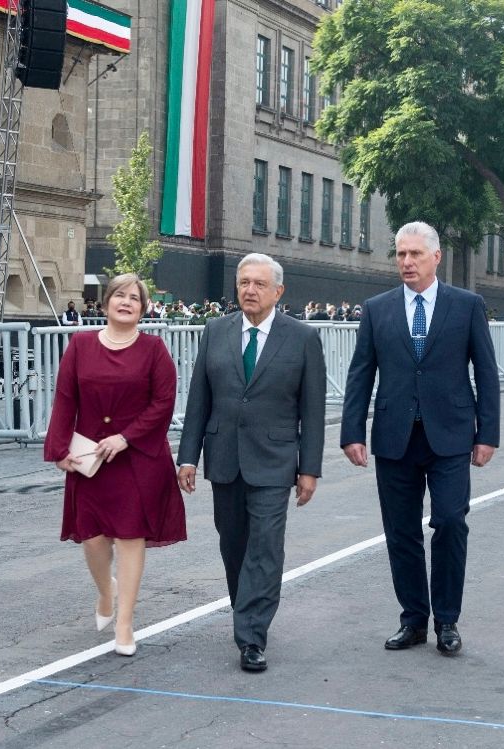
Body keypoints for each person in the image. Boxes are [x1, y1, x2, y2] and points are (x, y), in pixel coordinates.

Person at [340, 221, 500, 656]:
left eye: (415, 254)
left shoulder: (466, 306)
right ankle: (413, 620)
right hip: (395, 437)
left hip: (450, 436)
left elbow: (486, 372)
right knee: (401, 532)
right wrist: (352, 431)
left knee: (449, 521)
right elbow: (361, 373)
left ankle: (447, 619)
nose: (407, 262)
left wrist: (487, 433)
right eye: (401, 254)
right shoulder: (377, 309)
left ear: (436, 257)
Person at [176, 253, 326, 673]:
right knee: (234, 544)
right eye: (244, 282)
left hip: (275, 460)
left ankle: (251, 635)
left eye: (259, 284)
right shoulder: (215, 331)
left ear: (278, 291)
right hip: (224, 456)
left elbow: (312, 411)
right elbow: (199, 398)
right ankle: (246, 610)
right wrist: (187, 457)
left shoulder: (302, 338)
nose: (250, 290)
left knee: (265, 546)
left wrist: (309, 468)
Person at [44, 273, 187, 657]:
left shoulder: (154, 350)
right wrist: (58, 450)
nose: (126, 302)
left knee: (129, 536)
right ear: (106, 302)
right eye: (119, 296)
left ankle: (124, 623)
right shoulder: (80, 345)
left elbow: (163, 403)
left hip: (138, 459)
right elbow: (65, 399)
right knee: (92, 538)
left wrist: (126, 437)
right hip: (90, 459)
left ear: (143, 308)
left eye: (134, 298)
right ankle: (106, 592)